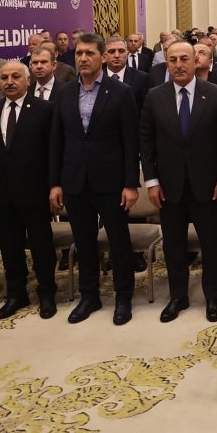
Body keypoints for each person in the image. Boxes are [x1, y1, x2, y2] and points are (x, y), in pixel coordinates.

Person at [141, 40, 217, 323]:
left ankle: (212, 297)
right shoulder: (154, 96)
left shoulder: (216, 94)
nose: (179, 65)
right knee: (173, 245)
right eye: (173, 60)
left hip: (206, 184)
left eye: (184, 59)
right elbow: (146, 141)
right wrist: (152, 181)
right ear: (166, 64)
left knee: (210, 244)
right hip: (168, 186)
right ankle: (178, 297)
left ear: (196, 62)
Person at [49, 33, 139, 326]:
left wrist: (130, 184)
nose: (83, 58)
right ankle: (89, 296)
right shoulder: (64, 92)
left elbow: (131, 142)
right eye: (79, 53)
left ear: (103, 57)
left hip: (111, 181)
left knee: (118, 242)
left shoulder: (121, 92)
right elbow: (57, 141)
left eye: (89, 53)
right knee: (84, 242)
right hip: (75, 181)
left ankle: (123, 296)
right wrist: (55, 183)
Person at [0, 61, 57, 320]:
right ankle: (16, 294)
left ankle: (46, 293)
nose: (9, 82)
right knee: (9, 246)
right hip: (2, 193)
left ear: (28, 81)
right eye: (4, 77)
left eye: (15, 76)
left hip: (35, 191)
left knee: (41, 246)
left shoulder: (44, 109)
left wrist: (53, 186)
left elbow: (52, 152)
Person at [102, 35, 149, 110]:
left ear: (127, 54)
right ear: (104, 56)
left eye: (121, 51)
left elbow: (145, 110)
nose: (117, 55)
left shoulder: (142, 78)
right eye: (112, 51)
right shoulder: (97, 78)